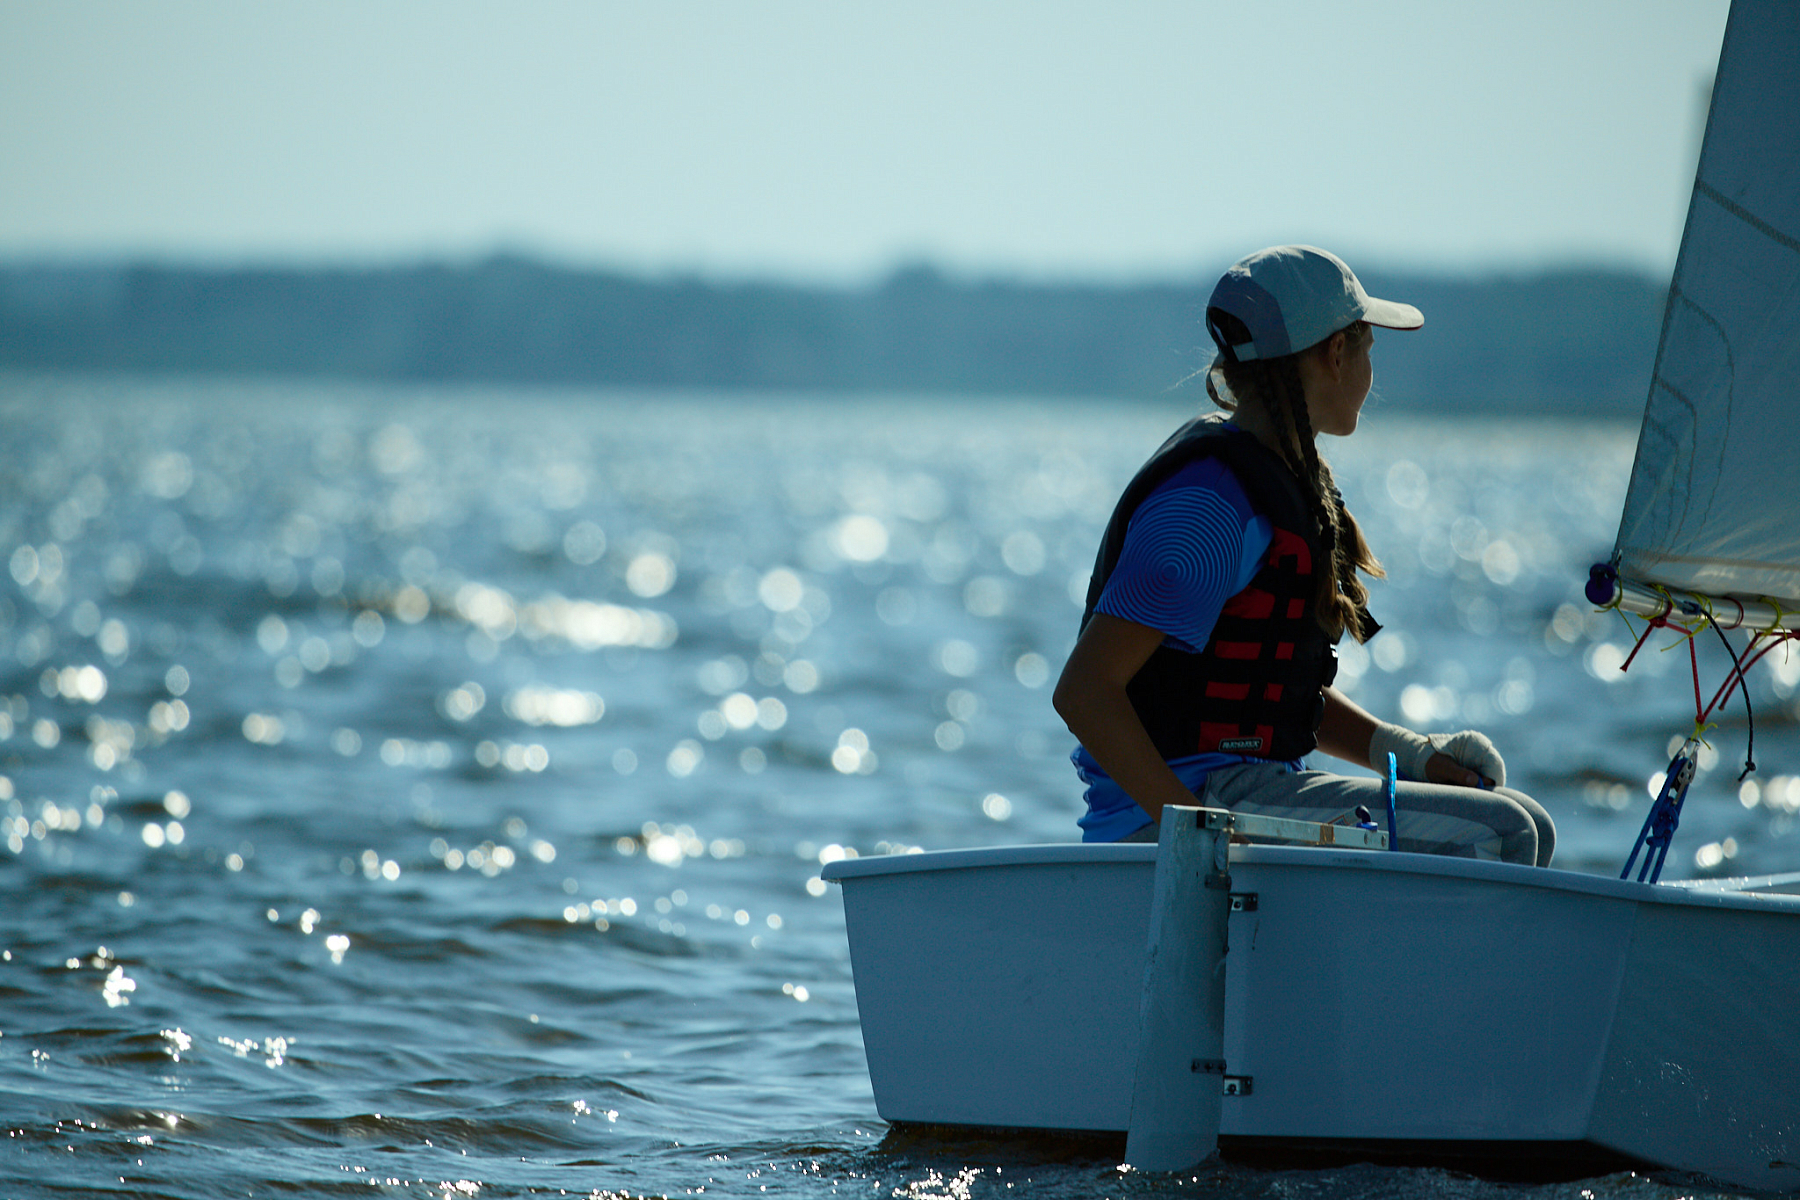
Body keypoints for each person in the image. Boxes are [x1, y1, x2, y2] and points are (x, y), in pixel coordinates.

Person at [1052, 245, 1554, 866]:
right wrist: (1201, 837)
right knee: (1501, 834)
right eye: (1369, 347)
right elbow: (1085, 692)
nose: (1371, 375)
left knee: (1530, 820)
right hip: (1176, 814)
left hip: (1249, 791)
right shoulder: (1207, 507)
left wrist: (1413, 754)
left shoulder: (1283, 482)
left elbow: (1276, 694)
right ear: (1335, 353)